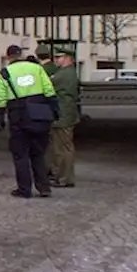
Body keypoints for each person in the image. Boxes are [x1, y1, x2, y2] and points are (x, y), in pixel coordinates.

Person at [0, 44, 59, 199]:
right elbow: (49, 89)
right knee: (38, 153)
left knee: (20, 155)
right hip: (39, 113)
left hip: (18, 115)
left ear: (8, 57)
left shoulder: (5, 72)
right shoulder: (36, 68)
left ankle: (24, 189)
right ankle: (44, 187)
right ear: (21, 55)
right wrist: (54, 110)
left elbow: (0, 97)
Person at [48, 47, 80, 188]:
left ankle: (63, 178)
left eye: (58, 57)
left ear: (67, 58)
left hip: (62, 115)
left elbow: (47, 85)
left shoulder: (63, 74)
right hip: (66, 113)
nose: (56, 60)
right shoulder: (68, 72)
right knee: (64, 147)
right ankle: (63, 176)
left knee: (62, 148)